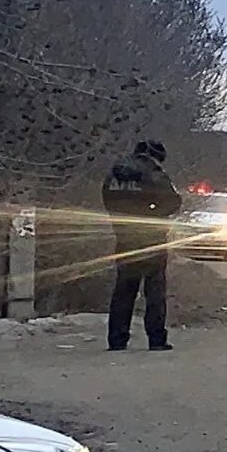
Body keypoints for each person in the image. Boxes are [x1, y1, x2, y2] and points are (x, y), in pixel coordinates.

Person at [100, 139, 182, 351]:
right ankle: (156, 339)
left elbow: (107, 199)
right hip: (151, 241)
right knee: (154, 292)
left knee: (123, 292)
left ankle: (117, 340)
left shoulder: (116, 173)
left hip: (124, 239)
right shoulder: (154, 174)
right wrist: (152, 213)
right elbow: (173, 202)